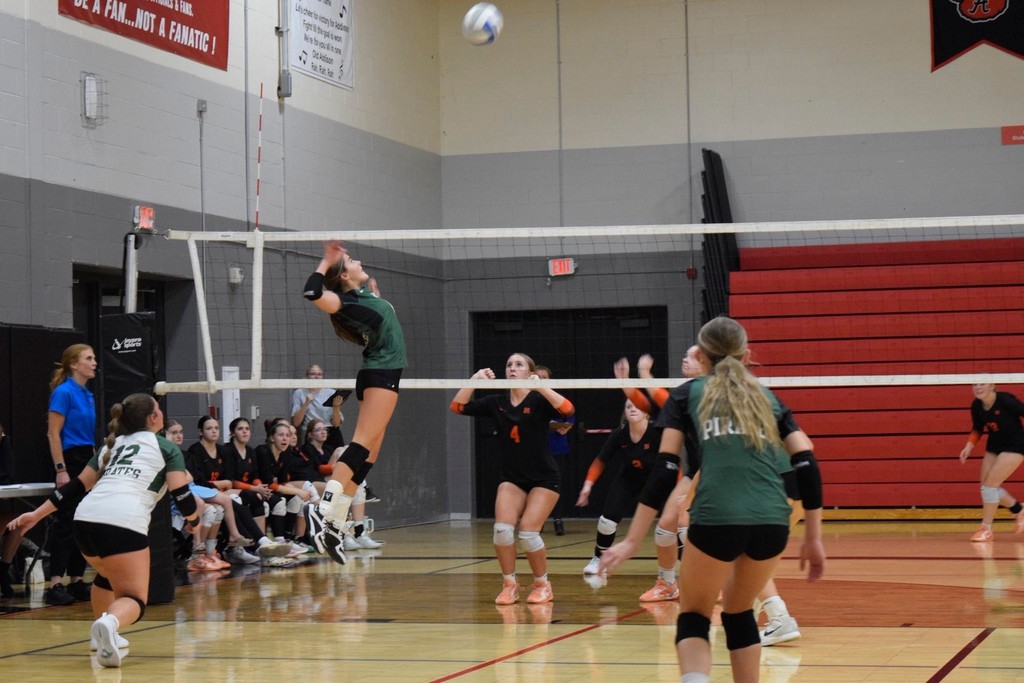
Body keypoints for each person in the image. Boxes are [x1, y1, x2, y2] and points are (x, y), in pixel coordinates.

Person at [604, 317, 825, 683]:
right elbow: (806, 461)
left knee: (694, 615)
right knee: (739, 613)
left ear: (702, 355)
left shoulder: (687, 393)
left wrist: (630, 540)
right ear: (745, 354)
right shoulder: (766, 397)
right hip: (772, 520)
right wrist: (814, 537)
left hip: (716, 515)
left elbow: (665, 468)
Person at [7, 393, 200, 668]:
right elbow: (182, 494)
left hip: (85, 520)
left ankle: (100, 638)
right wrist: (194, 520)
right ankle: (110, 623)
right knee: (134, 599)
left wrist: (36, 515)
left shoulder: (113, 445)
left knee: (107, 576)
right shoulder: (166, 447)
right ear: (154, 418)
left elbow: (74, 487)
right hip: (122, 522)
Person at [302, 240, 407, 565]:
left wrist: (374, 293)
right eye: (351, 261)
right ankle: (322, 508)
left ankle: (335, 520)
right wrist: (327, 262)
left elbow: (377, 313)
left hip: (382, 376)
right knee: (360, 446)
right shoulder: (343, 302)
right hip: (380, 376)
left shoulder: (364, 296)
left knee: (370, 455)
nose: (357, 260)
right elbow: (312, 293)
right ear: (344, 277)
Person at [450, 353, 575, 605]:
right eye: (508, 364)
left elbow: (568, 410)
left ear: (529, 371)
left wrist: (541, 386)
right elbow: (457, 407)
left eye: (518, 365)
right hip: (513, 478)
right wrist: (474, 380)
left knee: (528, 533)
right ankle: (510, 584)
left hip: (544, 477)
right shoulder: (497, 402)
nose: (512, 368)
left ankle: (542, 584)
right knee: (502, 531)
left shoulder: (539, 400)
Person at [577, 399, 661, 586]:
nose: (633, 409)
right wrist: (588, 486)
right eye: (629, 406)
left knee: (673, 526)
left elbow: (674, 460)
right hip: (629, 479)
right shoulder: (620, 434)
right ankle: (599, 559)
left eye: (637, 406)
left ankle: (676, 570)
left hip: (657, 480)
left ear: (647, 412)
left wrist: (679, 490)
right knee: (606, 522)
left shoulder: (658, 432)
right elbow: (600, 460)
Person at [45, 343, 97, 606]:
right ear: (74, 364)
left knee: (83, 521)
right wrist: (61, 469)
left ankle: (76, 580)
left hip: (87, 458)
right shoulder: (64, 393)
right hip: (70, 459)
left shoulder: (87, 394)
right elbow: (53, 433)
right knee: (65, 521)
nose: (94, 362)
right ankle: (54, 582)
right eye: (89, 358)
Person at [959, 382, 1024, 542]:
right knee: (987, 487)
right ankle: (1019, 510)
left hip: (1015, 445)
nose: (978, 387)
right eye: (975, 384)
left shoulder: (1006, 401)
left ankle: (986, 529)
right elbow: (978, 428)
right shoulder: (976, 405)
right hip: (994, 445)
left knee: (990, 487)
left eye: (982, 384)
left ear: (992, 387)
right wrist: (969, 446)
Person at [535, 365, 575, 536]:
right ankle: (538, 520)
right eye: (538, 377)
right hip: (535, 449)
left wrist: (567, 426)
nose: (542, 379)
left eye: (545, 377)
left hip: (557, 448)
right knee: (536, 486)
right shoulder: (528, 398)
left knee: (555, 486)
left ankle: (557, 520)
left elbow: (570, 415)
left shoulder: (556, 398)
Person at [291, 364, 346, 450]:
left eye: (319, 374)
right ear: (307, 376)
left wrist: (336, 407)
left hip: (331, 433)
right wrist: (306, 404)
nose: (316, 376)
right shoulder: (299, 392)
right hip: (313, 433)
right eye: (312, 374)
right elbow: (296, 423)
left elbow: (336, 424)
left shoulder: (331, 393)